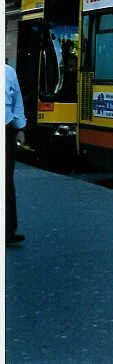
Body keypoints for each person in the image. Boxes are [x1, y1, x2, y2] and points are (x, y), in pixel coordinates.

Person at [6, 64, 26, 244]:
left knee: (6, 182)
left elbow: (17, 102)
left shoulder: (9, 72)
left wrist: (20, 128)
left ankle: (8, 231)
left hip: (6, 131)